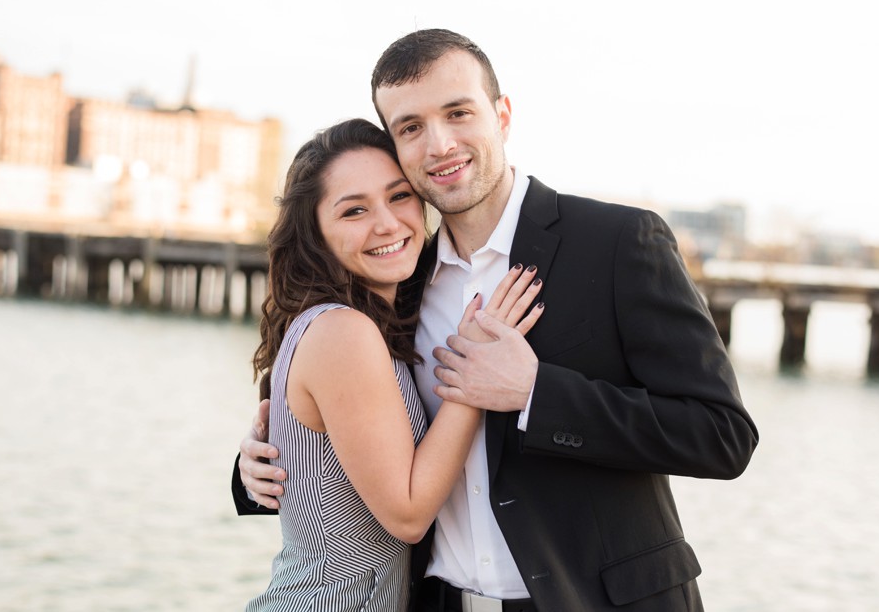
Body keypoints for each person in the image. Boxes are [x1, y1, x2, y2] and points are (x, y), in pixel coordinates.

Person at [235, 30, 759, 612]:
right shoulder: (398, 278)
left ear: (502, 115)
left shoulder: (616, 244)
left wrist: (536, 393)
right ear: (397, 146)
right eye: (410, 127)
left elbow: (723, 435)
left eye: (459, 113)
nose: (439, 144)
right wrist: (255, 465)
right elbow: (336, 433)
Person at [240, 117, 545, 612]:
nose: (386, 222)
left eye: (399, 196)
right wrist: (474, 366)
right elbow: (407, 515)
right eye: (354, 210)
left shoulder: (370, 322)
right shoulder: (344, 330)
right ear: (314, 232)